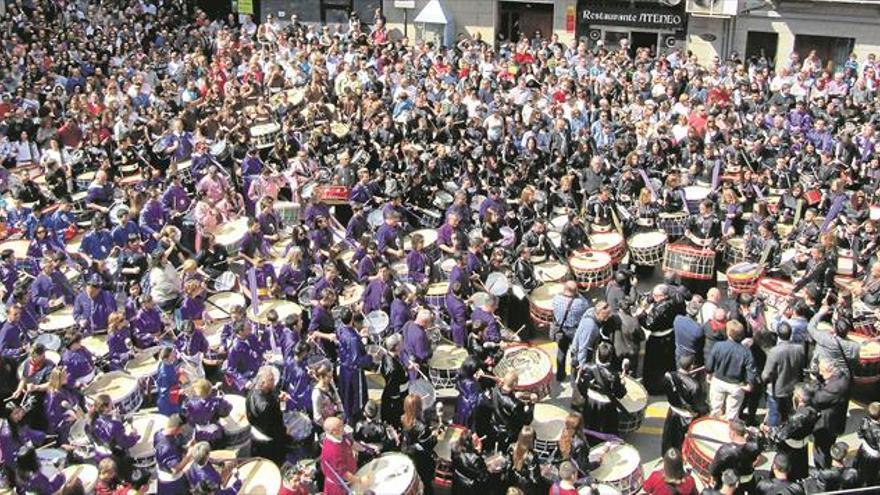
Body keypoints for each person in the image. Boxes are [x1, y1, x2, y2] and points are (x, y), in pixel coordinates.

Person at [761, 383, 818, 482]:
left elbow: (780, 435)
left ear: (799, 398)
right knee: (800, 471)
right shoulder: (814, 408)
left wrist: (767, 429)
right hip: (803, 445)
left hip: (790, 448)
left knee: (784, 469)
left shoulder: (800, 417)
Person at [706, 320, 756, 421]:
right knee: (731, 416)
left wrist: (709, 374)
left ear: (728, 333)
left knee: (715, 411)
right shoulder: (746, 352)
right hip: (736, 385)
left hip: (718, 381)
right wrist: (750, 384)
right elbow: (751, 370)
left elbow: (709, 365)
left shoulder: (718, 346)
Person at [661, 355, 708, 455]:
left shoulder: (668, 375)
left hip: (672, 411)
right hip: (686, 417)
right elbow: (697, 405)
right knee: (681, 440)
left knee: (668, 437)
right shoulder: (695, 386)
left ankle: (666, 457)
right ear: (691, 367)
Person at [577, 341, 626, 436]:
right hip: (606, 407)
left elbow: (581, 387)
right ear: (611, 357)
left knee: (589, 427)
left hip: (590, 403)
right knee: (606, 431)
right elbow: (620, 394)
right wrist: (622, 384)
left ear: (597, 355)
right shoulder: (613, 375)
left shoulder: (587, 367)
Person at [761, 322, 805, 426]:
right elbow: (801, 366)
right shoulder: (799, 349)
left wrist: (763, 382)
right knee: (787, 413)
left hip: (776, 389)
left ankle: (773, 436)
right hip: (792, 387)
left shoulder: (774, 351)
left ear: (778, 334)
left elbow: (766, 375)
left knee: (774, 414)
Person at [246, 367, 291, 465]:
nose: (274, 381)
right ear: (263, 383)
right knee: (274, 459)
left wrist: (278, 399)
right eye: (271, 380)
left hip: (256, 432)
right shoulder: (266, 406)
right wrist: (284, 430)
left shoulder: (253, 391)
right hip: (269, 438)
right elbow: (274, 424)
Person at [812, 358, 850, 469]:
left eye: (822, 371)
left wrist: (815, 381)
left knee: (822, 449)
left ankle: (822, 469)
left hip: (827, 426)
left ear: (830, 371)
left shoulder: (835, 387)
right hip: (836, 422)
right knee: (827, 446)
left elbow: (816, 399)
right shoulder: (842, 377)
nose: (820, 373)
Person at [336, 309, 372, 425]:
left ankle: (349, 417)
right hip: (354, 373)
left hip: (344, 369)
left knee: (346, 396)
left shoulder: (340, 329)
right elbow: (357, 360)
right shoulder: (353, 339)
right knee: (357, 400)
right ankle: (356, 422)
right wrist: (370, 357)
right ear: (352, 320)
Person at [709, 420, 764, 494]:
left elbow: (714, 469)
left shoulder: (724, 450)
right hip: (748, 480)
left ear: (733, 433)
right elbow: (758, 458)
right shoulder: (755, 446)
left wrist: (713, 477)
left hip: (730, 483)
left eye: (729, 431)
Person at [551, 281, 589, 382]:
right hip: (574, 331)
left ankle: (560, 375)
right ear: (576, 290)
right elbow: (586, 307)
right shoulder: (581, 303)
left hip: (561, 330)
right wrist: (578, 294)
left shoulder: (556, 299)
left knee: (561, 352)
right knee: (575, 353)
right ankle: (574, 375)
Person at [400, 393, 437, 494]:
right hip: (421, 459)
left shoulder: (403, 418)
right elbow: (428, 444)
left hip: (408, 454)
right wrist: (434, 435)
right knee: (426, 483)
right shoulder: (421, 427)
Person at [489, 370, 535, 452]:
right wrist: (532, 404)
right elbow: (527, 420)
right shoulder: (516, 405)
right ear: (514, 384)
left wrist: (513, 395)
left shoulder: (495, 390)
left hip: (497, 424)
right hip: (510, 432)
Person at [154, 414, 193, 494]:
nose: (182, 431)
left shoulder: (158, 433)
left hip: (164, 478)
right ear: (176, 428)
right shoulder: (167, 447)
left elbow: (174, 445)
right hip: (172, 483)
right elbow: (175, 470)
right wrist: (189, 455)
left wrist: (185, 447)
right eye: (182, 429)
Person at [319, 416, 359, 495]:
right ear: (333, 432)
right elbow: (343, 473)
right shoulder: (332, 451)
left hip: (351, 479)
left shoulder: (339, 436)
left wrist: (368, 450)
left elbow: (351, 443)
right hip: (339, 489)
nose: (343, 427)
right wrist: (360, 481)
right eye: (340, 426)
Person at [451, 429, 489, 494]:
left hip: (457, 482)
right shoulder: (475, 459)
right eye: (476, 440)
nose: (479, 440)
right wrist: (479, 453)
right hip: (470, 488)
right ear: (470, 442)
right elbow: (484, 477)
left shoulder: (455, 449)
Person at [853, 401, 880, 487]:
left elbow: (859, 434)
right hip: (873, 457)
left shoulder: (865, 420)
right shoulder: (878, 432)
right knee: (871, 475)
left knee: (858, 467)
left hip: (863, 449)